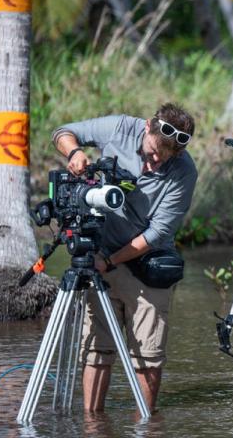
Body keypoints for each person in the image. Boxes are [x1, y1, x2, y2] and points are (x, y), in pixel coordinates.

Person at [52, 103, 198, 413]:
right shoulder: (120, 127)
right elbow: (63, 132)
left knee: (148, 353)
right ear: (147, 127)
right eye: (152, 151)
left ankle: (145, 426)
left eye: (164, 158)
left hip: (148, 264)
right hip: (98, 256)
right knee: (96, 349)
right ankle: (94, 426)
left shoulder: (184, 170)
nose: (154, 162)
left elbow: (157, 233)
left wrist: (111, 261)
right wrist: (74, 154)